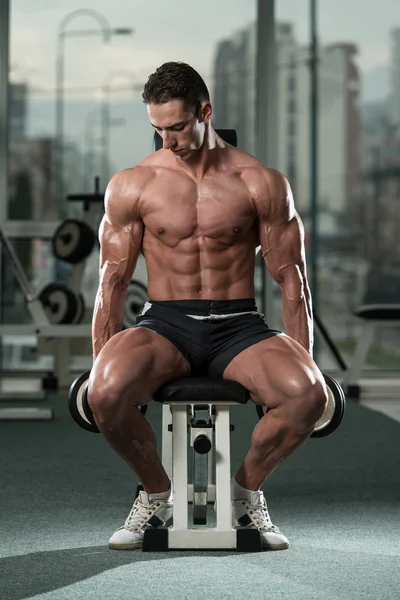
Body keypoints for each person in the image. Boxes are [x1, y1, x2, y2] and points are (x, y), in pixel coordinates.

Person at [87, 61, 328, 551]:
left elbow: (292, 281)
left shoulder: (260, 182)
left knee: (307, 396)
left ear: (205, 112)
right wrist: (99, 367)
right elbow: (111, 282)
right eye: (157, 129)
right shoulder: (134, 184)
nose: (166, 140)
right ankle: (156, 493)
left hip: (239, 325)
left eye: (176, 127)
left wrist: (306, 364)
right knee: (105, 392)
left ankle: (245, 493)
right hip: (166, 324)